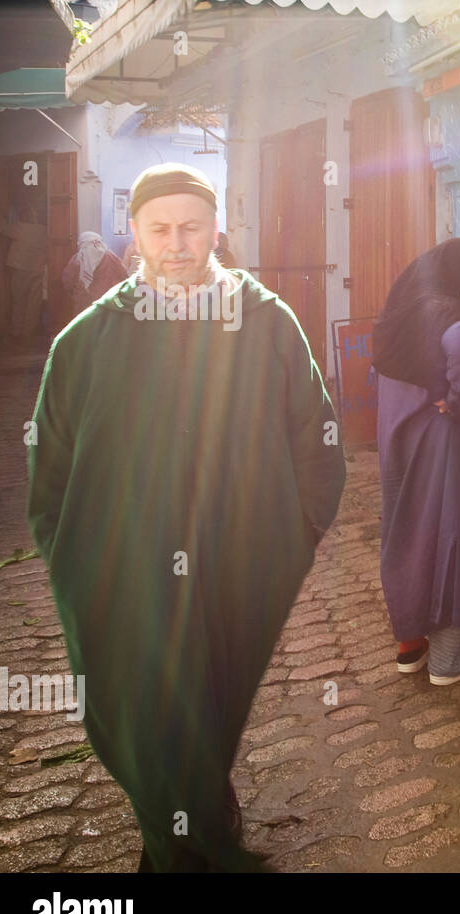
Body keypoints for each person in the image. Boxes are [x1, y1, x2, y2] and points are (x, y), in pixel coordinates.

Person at [27, 162, 346, 872]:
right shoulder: (85, 343)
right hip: (127, 582)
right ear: (134, 232)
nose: (176, 243)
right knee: (143, 719)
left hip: (240, 570)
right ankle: (188, 844)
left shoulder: (265, 324)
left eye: (191, 227)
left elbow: (316, 438)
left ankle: (193, 833)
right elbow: (48, 477)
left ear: (215, 230)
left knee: (212, 708)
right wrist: (78, 561)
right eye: (160, 228)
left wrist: (292, 537)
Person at [372, 238, 460, 683]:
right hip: (440, 442)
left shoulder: (403, 311)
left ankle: (411, 649)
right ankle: (450, 662)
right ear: (456, 276)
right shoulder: (447, 314)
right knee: (454, 534)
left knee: (408, 534)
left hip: (399, 438)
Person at [0, 206, 47, 340]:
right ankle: (28, 334)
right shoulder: (44, 231)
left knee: (18, 301)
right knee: (33, 303)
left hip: (20, 269)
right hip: (38, 270)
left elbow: (2, 227)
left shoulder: (21, 228)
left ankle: (16, 332)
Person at [60, 231, 128, 315]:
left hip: (84, 307)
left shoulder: (78, 259)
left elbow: (68, 281)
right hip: (108, 303)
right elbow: (125, 275)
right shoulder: (110, 255)